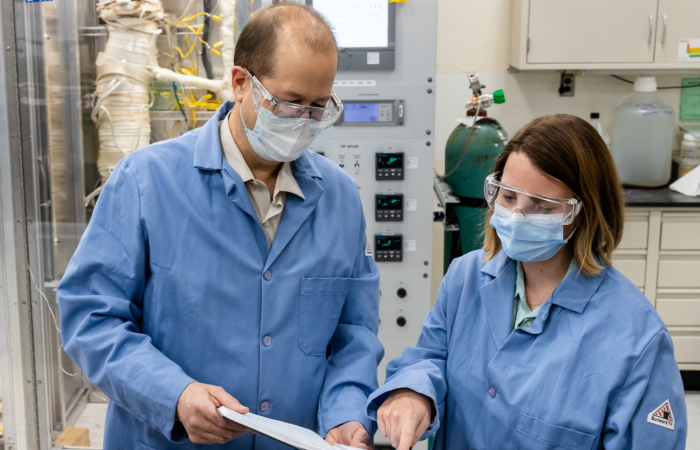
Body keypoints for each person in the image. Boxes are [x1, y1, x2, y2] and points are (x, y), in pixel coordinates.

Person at [58, 3, 383, 449]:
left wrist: (347, 412)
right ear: (240, 83)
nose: (303, 120)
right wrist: (174, 395)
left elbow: (353, 335)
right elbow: (91, 316)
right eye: (288, 103)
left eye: (318, 107)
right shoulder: (147, 181)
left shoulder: (340, 200)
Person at [366, 115, 688, 450]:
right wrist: (412, 391)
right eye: (507, 197)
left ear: (584, 213)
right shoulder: (465, 279)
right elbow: (430, 358)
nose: (516, 217)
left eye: (541, 207)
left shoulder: (637, 340)